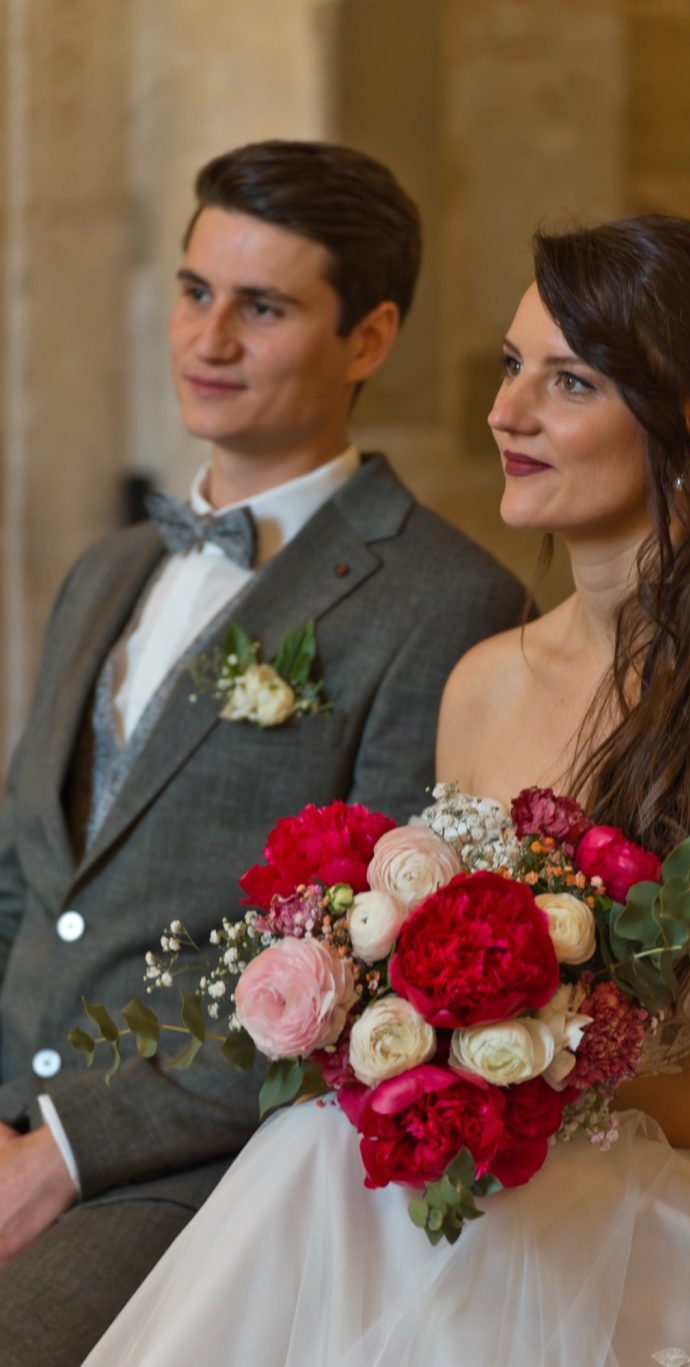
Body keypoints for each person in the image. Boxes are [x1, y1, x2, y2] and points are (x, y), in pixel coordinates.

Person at [80, 216, 690, 1366]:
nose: (503, 411)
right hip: (530, 1198)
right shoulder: (480, 683)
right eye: (512, 365)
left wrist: (555, 1106)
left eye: (566, 381)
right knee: (325, 1154)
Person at [0, 139, 527, 1365]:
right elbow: (24, 877)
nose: (209, 337)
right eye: (195, 291)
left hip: (190, 1170)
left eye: (264, 307)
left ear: (368, 337)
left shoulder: (446, 604)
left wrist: (64, 1148)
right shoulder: (107, 571)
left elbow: (373, 974)